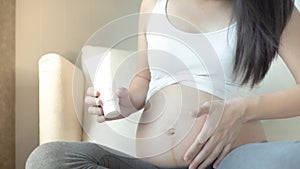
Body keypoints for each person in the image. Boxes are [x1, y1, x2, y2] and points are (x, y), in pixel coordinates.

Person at [26, 0, 300, 169]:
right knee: (49, 159)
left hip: (232, 158)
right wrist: (129, 100)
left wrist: (242, 111)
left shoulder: (275, 7)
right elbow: (144, 77)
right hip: (152, 165)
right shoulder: (153, 3)